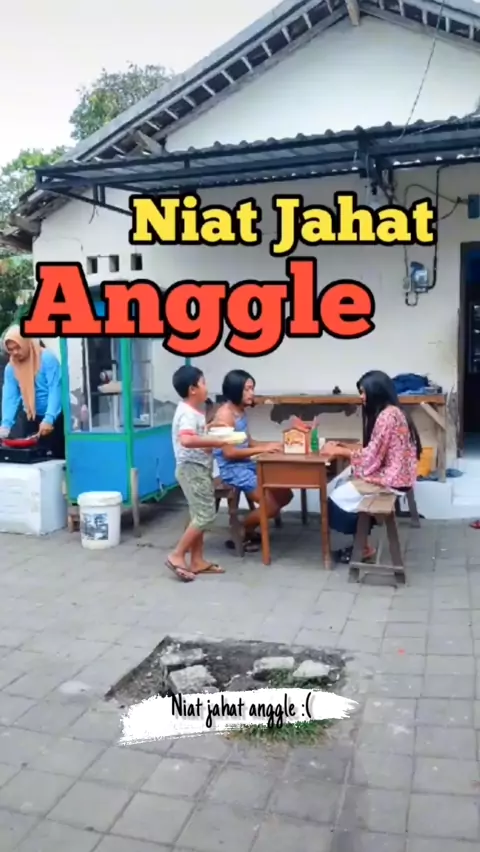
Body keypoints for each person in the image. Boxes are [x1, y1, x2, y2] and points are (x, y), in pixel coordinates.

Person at [323, 370, 422, 563]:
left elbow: (371, 458)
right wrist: (345, 447)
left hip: (392, 481)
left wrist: (339, 451)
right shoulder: (395, 412)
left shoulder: (386, 417)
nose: (361, 397)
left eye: (363, 392)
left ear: (376, 391)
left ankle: (363, 547)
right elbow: (376, 450)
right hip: (400, 477)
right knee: (344, 481)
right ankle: (362, 544)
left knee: (335, 497)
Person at [212, 369, 293, 551]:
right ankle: (242, 529)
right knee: (271, 506)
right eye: (247, 389)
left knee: (285, 494)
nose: (252, 393)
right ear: (235, 390)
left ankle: (248, 529)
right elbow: (229, 452)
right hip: (233, 469)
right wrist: (262, 449)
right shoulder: (225, 415)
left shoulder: (240, 410)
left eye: (252, 388)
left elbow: (247, 442)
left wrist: (272, 445)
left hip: (246, 463)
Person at [167, 365, 231, 582]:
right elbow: (187, 440)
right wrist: (216, 441)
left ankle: (197, 560)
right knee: (205, 515)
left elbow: (194, 436)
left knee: (198, 515)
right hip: (191, 469)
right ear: (193, 389)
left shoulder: (193, 412)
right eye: (203, 382)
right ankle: (177, 554)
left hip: (198, 468)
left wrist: (210, 430)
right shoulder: (187, 413)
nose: (207, 387)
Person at [0, 326, 65, 459]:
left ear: (25, 342)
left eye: (18, 347)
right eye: (10, 349)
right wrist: (5, 425)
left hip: (55, 416)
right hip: (31, 416)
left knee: (57, 458)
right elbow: (10, 397)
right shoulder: (11, 368)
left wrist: (49, 419)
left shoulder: (47, 358)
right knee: (34, 457)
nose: (15, 352)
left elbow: (55, 388)